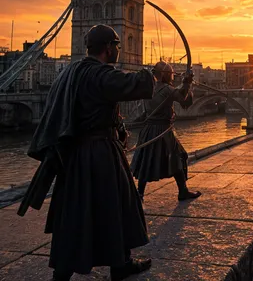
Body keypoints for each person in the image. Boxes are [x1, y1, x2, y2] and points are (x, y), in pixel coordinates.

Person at [18, 25, 155, 281]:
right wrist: (153, 73)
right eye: (116, 46)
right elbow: (134, 84)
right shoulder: (99, 74)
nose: (117, 50)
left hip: (74, 155)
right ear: (108, 48)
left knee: (76, 210)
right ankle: (116, 265)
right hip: (100, 153)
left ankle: (99, 266)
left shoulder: (71, 72)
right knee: (115, 205)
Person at [131, 61, 201, 202]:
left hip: (148, 130)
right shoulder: (167, 90)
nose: (172, 76)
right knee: (178, 156)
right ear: (166, 75)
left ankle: (139, 194)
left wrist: (185, 84)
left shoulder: (149, 88)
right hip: (163, 130)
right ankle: (183, 191)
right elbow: (184, 101)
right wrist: (187, 83)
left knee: (147, 159)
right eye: (170, 73)